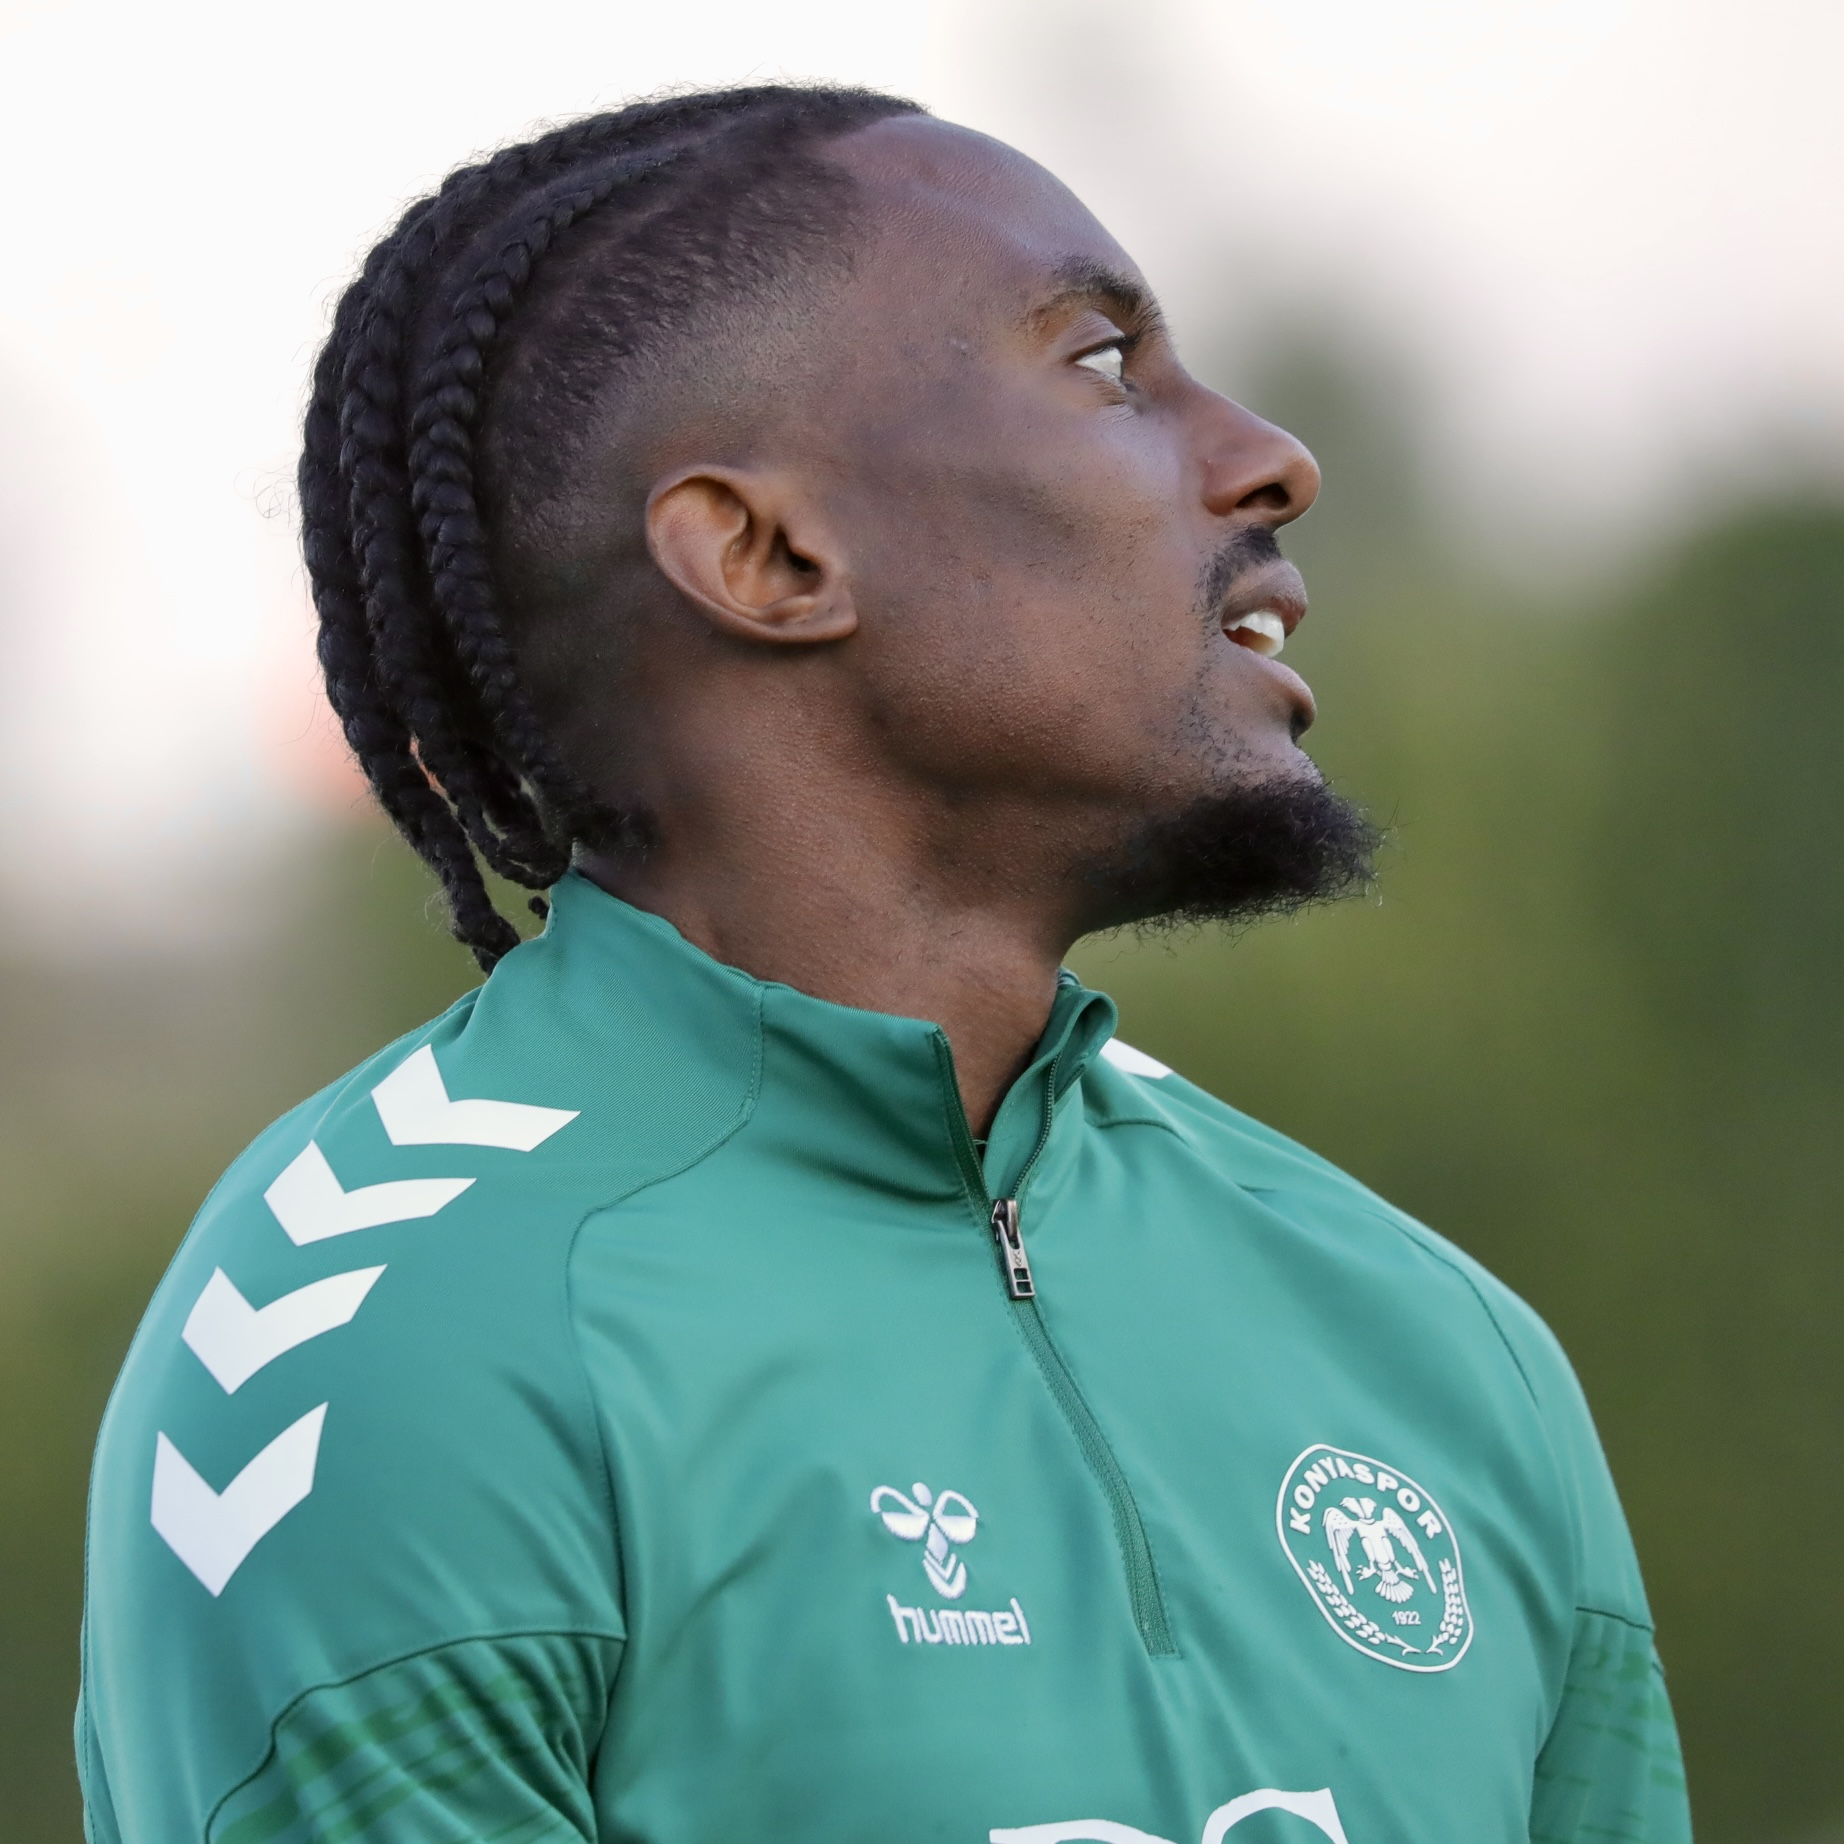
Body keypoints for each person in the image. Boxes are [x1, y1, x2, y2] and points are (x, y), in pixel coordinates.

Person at [77, 84, 1689, 1844]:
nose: (1268, 457)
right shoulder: (392, 1356)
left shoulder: (1440, 1344)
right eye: (1103, 366)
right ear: (767, 555)